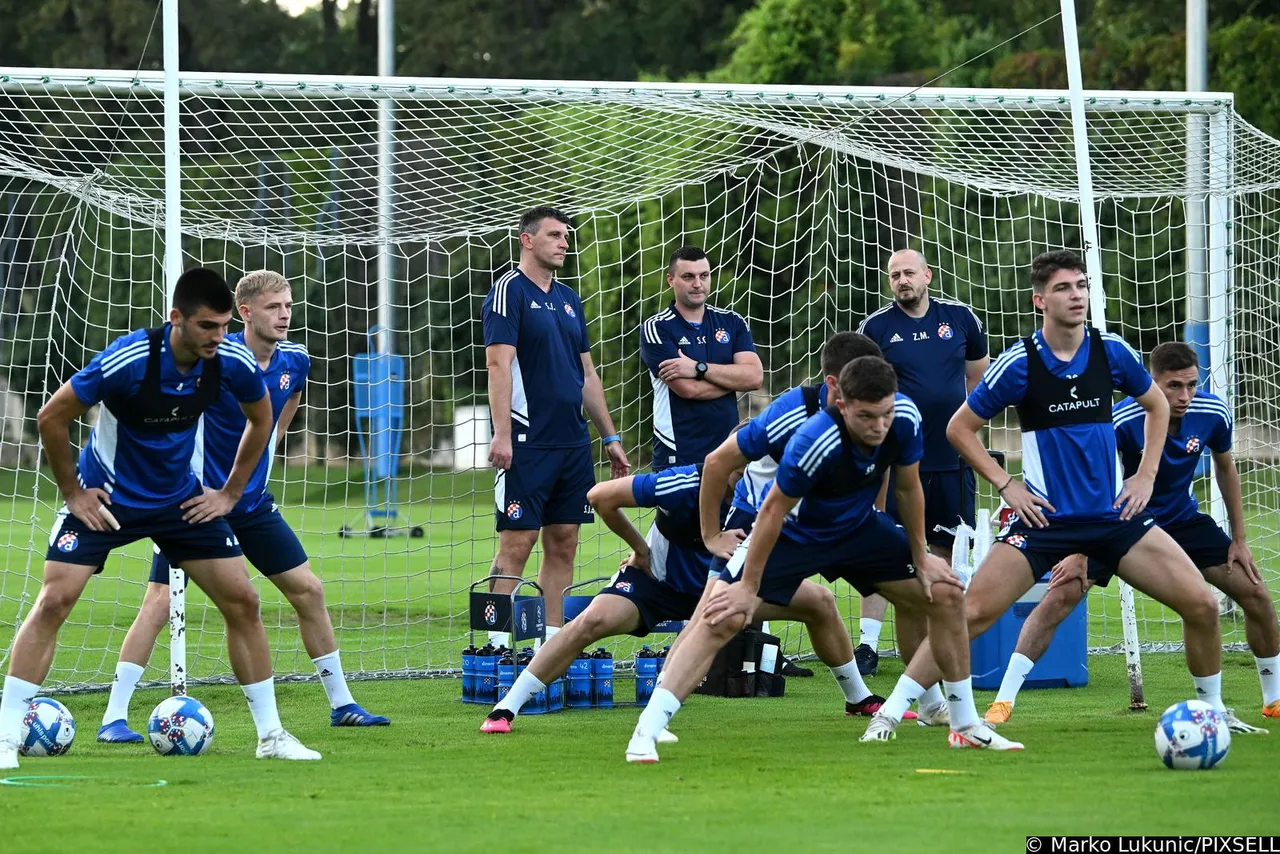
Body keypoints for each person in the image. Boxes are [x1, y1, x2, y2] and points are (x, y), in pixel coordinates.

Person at [862, 250, 1229, 749]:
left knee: (1203, 605)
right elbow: (959, 428)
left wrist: (1144, 475)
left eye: (1081, 286)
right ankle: (889, 712)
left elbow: (1157, 405)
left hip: (1114, 517)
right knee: (970, 615)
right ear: (1040, 300)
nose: (1076, 295)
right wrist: (1007, 485)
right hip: (1046, 520)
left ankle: (1211, 718)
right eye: (1063, 288)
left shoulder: (1111, 351)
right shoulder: (1020, 363)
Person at [0, 268, 320, 769]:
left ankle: (271, 735)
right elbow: (50, 417)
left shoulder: (231, 361)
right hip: (109, 499)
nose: (218, 337)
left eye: (221, 326)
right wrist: (73, 493)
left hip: (181, 504)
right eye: (206, 327)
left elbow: (262, 419)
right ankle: (4, 739)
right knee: (55, 600)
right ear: (176, 320)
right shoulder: (128, 359)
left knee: (244, 601)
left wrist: (231, 493)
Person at [626, 356, 1008, 764]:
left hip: (859, 529)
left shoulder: (906, 418)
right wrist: (748, 589)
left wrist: (920, 556)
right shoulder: (814, 439)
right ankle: (646, 731)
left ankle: (965, 724)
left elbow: (909, 489)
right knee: (722, 615)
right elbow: (772, 511)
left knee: (947, 595)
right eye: (866, 416)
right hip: (796, 534)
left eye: (885, 414)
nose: (879, 426)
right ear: (840, 405)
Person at [96, 271, 389, 745]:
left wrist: (268, 445)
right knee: (160, 601)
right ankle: (114, 716)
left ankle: (342, 704)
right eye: (274, 307)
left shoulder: (297, 359)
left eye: (289, 305)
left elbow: (284, 404)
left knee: (308, 591)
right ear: (246, 312)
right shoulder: (215, 360)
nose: (286, 314)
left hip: (251, 504)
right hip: (197, 506)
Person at [984, 341, 1276, 732]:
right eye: (1173, 386)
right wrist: (1080, 549)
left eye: (1191, 385)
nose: (1185, 396)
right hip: (1118, 523)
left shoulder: (1213, 412)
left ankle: (1268, 701)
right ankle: (1002, 701)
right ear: (1150, 382)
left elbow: (1226, 470)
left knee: (1253, 591)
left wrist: (1238, 538)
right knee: (1061, 594)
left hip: (1183, 521)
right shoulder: (1118, 421)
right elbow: (1093, 485)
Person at [699, 331, 942, 724]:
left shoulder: (879, 416)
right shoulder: (794, 413)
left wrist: (876, 520)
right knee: (714, 615)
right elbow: (720, 464)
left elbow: (879, 468)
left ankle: (917, 701)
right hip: (764, 521)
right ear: (835, 385)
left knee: (917, 593)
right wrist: (712, 534)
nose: (870, 398)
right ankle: (654, 718)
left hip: (839, 523)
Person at [482, 206, 630, 641]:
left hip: (572, 443)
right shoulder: (508, 291)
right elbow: (498, 364)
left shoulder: (568, 299)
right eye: (554, 235)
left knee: (564, 540)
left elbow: (586, 374)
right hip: (527, 442)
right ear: (527, 240)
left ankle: (550, 644)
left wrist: (610, 436)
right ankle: (496, 646)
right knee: (518, 543)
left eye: (566, 236)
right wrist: (503, 433)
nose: (565, 242)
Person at [853, 249, 988, 676]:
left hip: (952, 458)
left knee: (947, 547)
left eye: (909, 272)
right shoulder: (876, 327)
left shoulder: (961, 318)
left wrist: (962, 424)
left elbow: (978, 376)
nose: (902, 280)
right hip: (896, 462)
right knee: (887, 548)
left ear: (927, 275)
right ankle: (868, 645)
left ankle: (935, 639)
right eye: (894, 275)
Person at [640, 246, 762, 469]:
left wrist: (699, 368)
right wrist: (734, 379)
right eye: (688, 276)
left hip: (727, 448)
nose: (697, 284)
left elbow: (754, 378)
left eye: (704, 275)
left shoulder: (732, 322)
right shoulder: (656, 327)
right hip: (678, 450)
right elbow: (689, 390)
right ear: (671, 279)